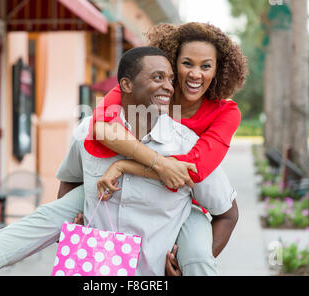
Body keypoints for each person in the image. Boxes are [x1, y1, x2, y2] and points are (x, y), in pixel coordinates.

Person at [0, 46, 236, 277]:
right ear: (125, 85)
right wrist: (70, 231)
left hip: (152, 271)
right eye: (157, 78)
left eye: (169, 78)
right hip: (97, 268)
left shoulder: (185, 145)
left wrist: (192, 256)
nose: (168, 86)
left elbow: (226, 212)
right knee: (34, 224)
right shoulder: (88, 134)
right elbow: (71, 181)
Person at [78, 22, 248, 274]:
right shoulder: (141, 90)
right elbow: (101, 129)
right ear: (172, 62)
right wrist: (154, 164)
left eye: (206, 66)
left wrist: (124, 165)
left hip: (185, 203)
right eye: (187, 63)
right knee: (52, 219)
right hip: (118, 192)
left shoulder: (226, 112)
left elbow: (192, 170)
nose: (195, 74)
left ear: (218, 71)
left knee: (197, 259)